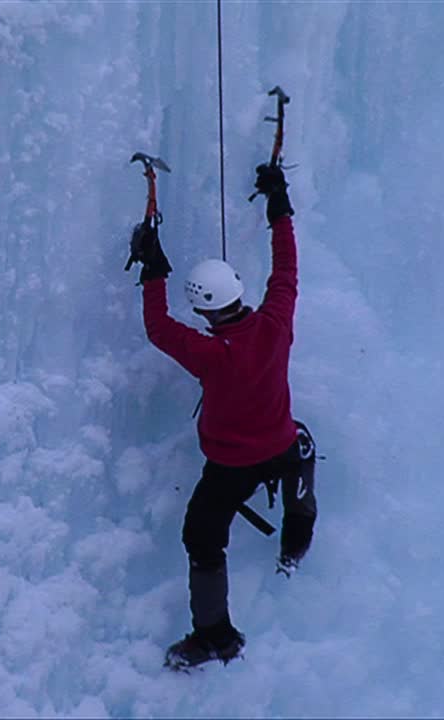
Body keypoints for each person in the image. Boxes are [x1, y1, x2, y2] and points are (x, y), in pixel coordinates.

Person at [132, 162, 317, 671]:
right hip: (281, 444)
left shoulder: (211, 353)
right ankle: (297, 537)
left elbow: (158, 327)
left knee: (202, 537)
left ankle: (215, 636)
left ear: (203, 310)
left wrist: (153, 269)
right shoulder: (276, 323)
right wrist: (278, 205)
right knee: (302, 445)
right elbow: (286, 272)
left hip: (231, 467)